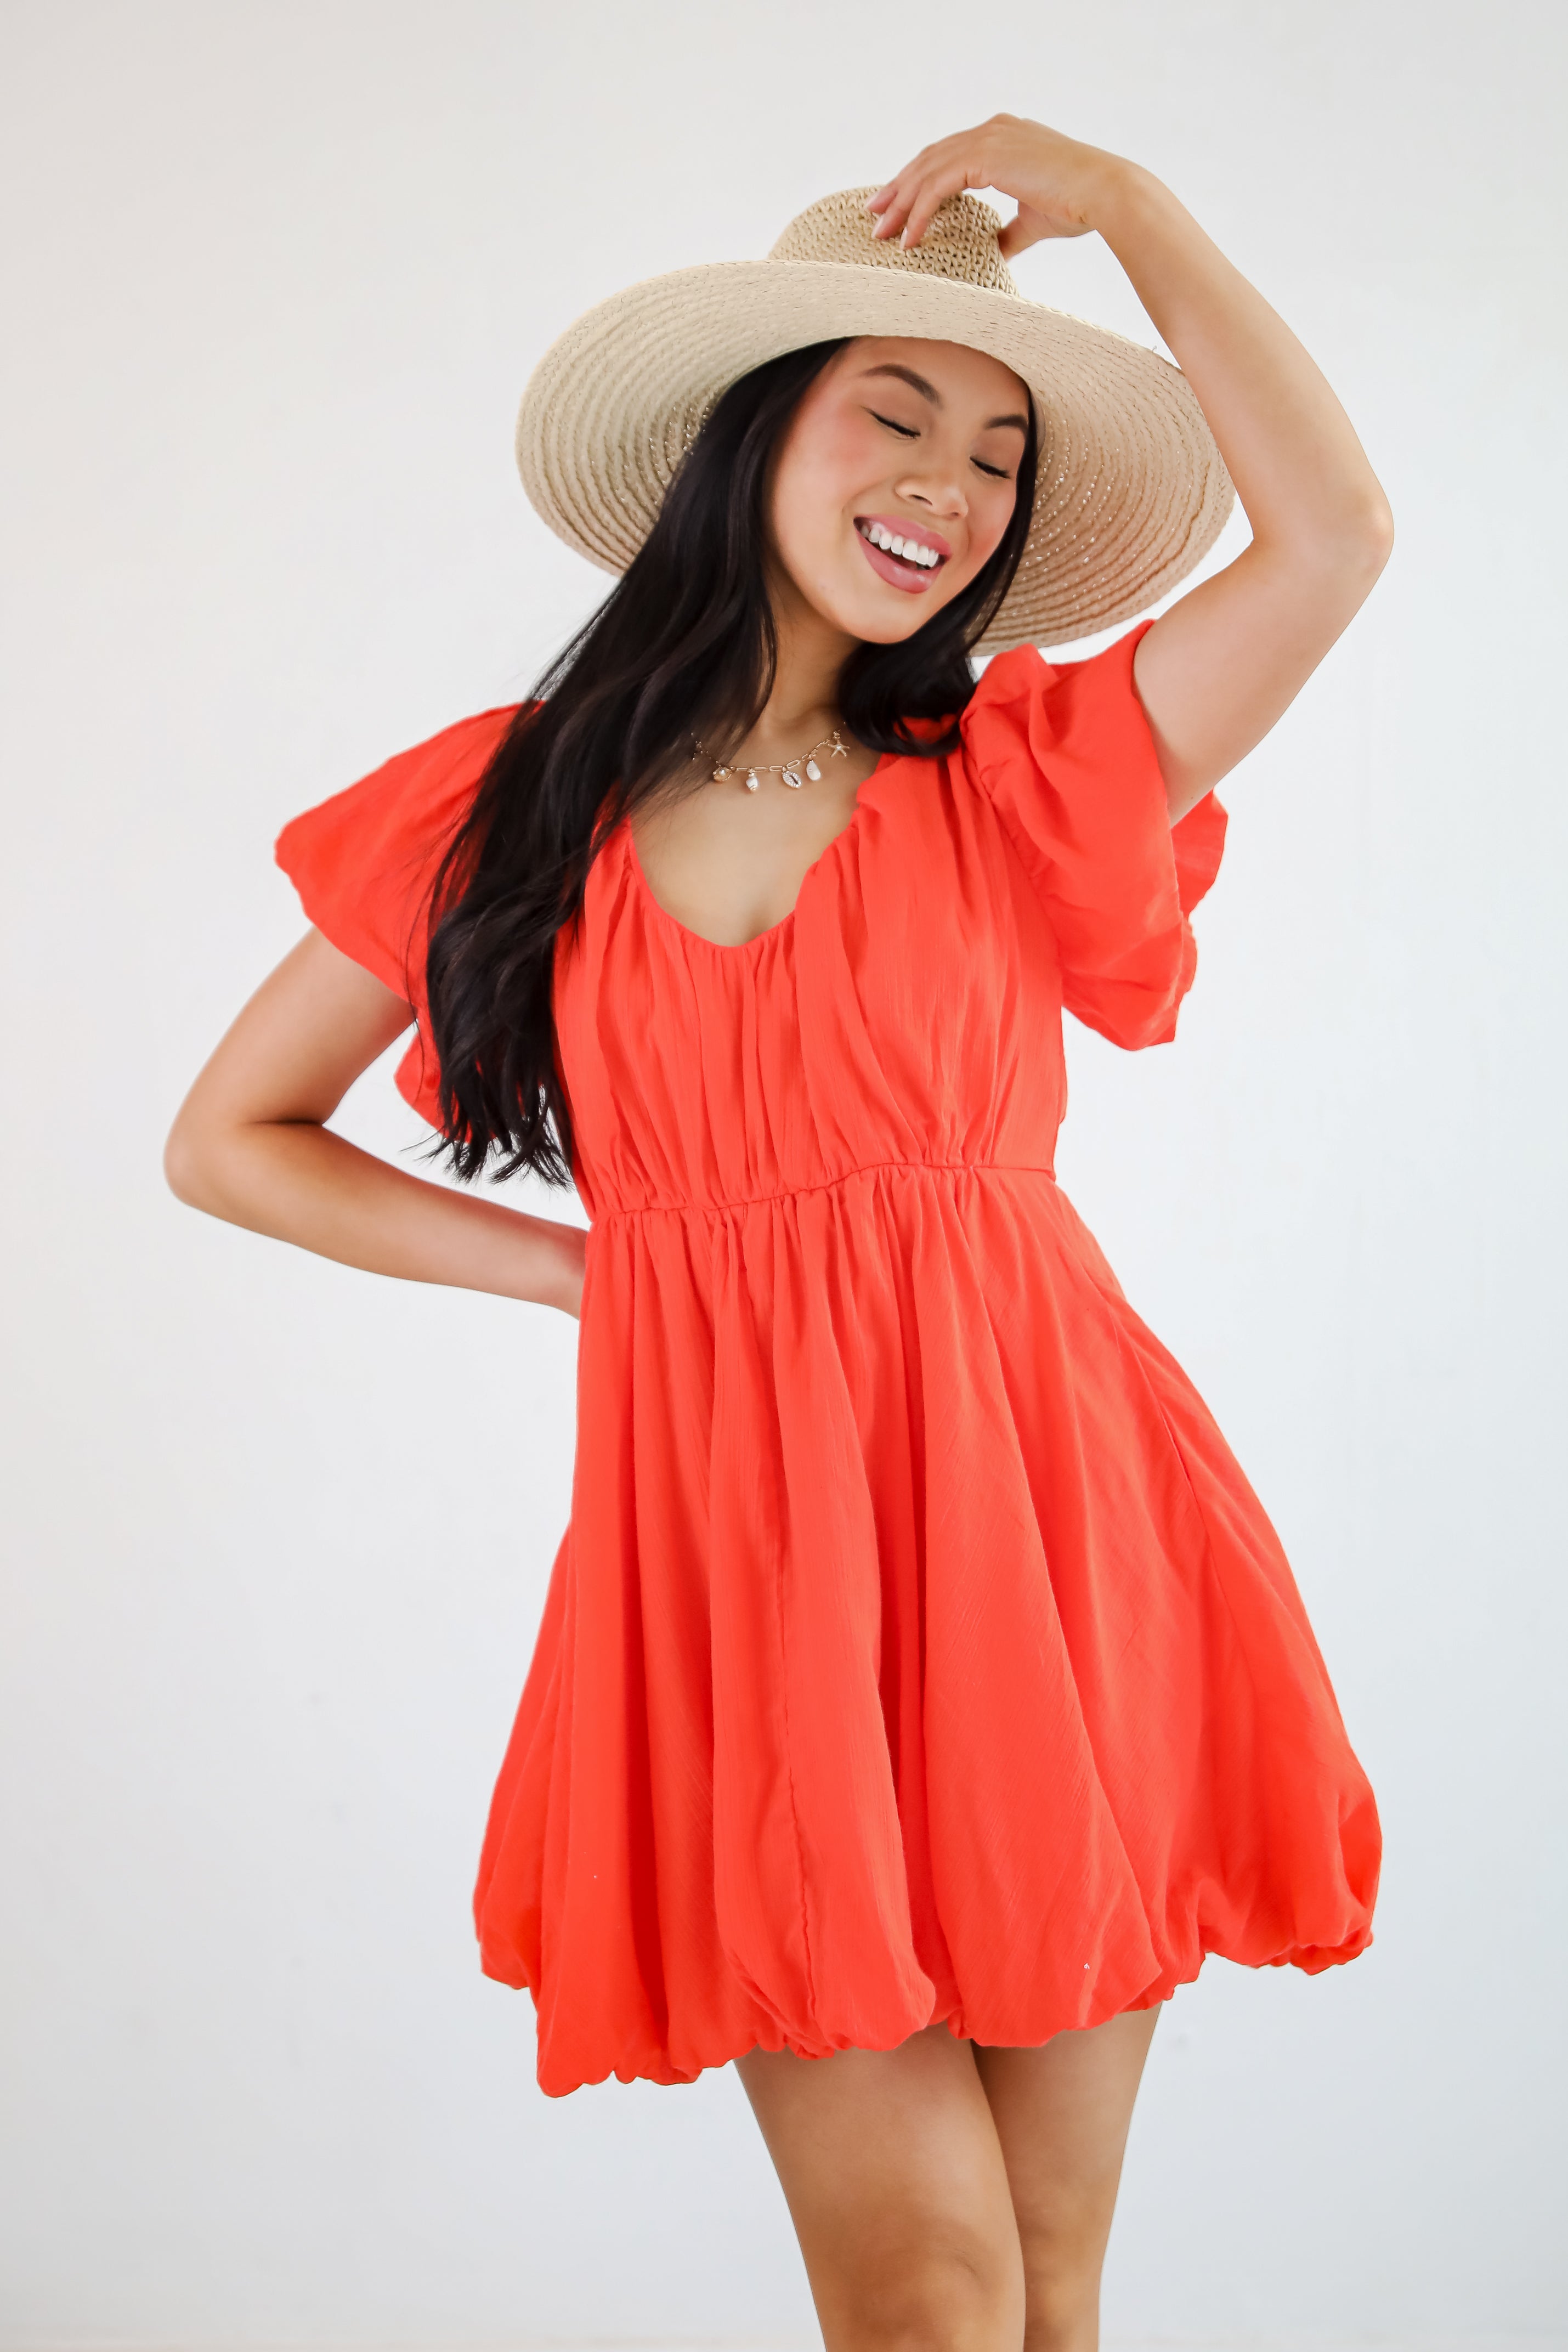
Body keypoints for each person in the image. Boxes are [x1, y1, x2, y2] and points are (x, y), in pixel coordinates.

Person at [166, 116, 1391, 2352]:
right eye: (892, 415)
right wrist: (582, 1271)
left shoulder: (1028, 774)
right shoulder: (506, 802)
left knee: (1042, 2285)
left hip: (1045, 1530)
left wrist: (1132, 208)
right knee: (924, 2288)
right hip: (738, 1563)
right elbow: (230, 1138)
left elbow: (1334, 537)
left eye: (999, 456)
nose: (949, 485)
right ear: (752, 441)